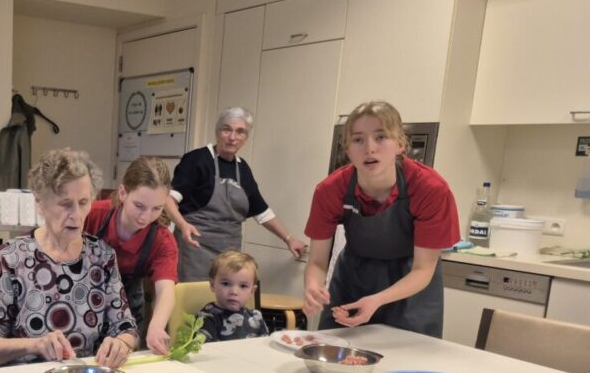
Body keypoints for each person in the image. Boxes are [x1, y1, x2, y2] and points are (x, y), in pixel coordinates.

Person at [302, 101, 460, 337]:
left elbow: (423, 269)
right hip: (352, 281)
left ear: (400, 144)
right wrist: (313, 287)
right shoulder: (331, 190)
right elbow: (316, 262)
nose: (369, 148)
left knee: (405, 356)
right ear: (347, 150)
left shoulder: (429, 189)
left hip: (411, 288)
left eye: (381, 137)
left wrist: (377, 300)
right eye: (358, 140)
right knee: (339, 350)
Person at [0, 149, 139, 368]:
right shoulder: (11, 258)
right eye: (65, 204)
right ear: (40, 203)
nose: (76, 214)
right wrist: (35, 345)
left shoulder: (102, 256)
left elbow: (126, 329)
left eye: (83, 202)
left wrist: (121, 344)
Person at [165, 107, 307, 282]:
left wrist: (289, 239)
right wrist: (182, 225)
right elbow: (169, 200)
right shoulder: (197, 160)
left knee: (226, 296)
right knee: (194, 297)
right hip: (194, 251)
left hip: (229, 257)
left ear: (245, 138)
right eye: (227, 130)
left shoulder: (243, 168)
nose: (232, 137)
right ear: (217, 132)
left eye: (240, 132)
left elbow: (262, 212)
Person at [83, 156, 178, 355]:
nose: (146, 217)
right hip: (83, 305)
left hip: (128, 314)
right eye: (139, 206)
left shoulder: (162, 240)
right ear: (122, 193)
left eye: (157, 208)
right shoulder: (92, 214)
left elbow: (166, 290)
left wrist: (157, 326)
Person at [196, 250, 269, 342]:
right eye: (226, 284)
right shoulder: (206, 318)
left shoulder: (256, 317)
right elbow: (207, 349)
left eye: (243, 286)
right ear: (212, 285)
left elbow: (264, 346)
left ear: (252, 291)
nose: (234, 292)